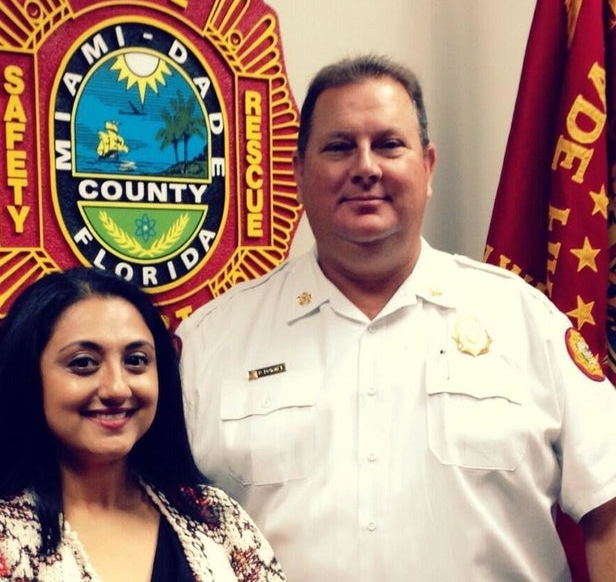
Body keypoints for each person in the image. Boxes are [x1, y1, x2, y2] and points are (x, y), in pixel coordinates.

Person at [177, 54, 616, 581]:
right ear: (297, 172)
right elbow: (139, 518)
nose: (365, 167)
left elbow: (609, 504)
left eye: (389, 144)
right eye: (339, 146)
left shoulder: (525, 321)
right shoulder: (213, 339)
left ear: (427, 167)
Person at [0, 267, 286, 582]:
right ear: (28, 379)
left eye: (136, 360)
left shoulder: (215, 518)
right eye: (83, 363)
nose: (117, 387)